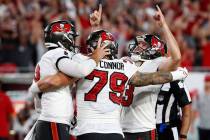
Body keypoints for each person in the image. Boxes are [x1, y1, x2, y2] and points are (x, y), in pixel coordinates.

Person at [30, 28, 189, 140]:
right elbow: (147, 79)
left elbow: (70, 75)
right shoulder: (125, 66)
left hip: (88, 131)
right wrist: (176, 74)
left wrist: (37, 88)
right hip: (116, 132)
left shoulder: (83, 62)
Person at [25, 20, 109, 140]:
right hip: (54, 119)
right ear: (63, 38)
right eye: (71, 37)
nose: (73, 41)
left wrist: (94, 28)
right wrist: (96, 57)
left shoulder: (49, 57)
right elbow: (82, 69)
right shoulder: (56, 53)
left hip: (51, 119)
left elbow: (86, 60)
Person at [121, 5, 182, 140]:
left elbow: (176, 57)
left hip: (142, 129)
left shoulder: (155, 63)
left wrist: (164, 26)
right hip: (119, 127)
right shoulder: (126, 61)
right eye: (139, 43)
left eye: (143, 45)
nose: (138, 46)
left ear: (155, 49)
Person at [192, 74, 210, 140]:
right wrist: (192, 125)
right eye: (206, 81)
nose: (208, 83)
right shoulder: (198, 95)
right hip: (202, 126)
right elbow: (194, 111)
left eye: (209, 81)